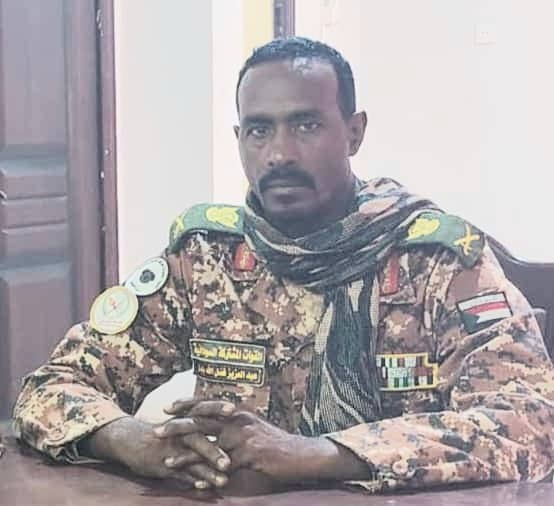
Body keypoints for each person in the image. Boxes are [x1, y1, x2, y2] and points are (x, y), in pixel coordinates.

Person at [13, 37, 554, 494]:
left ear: (354, 132)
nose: (279, 154)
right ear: (239, 139)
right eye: (259, 130)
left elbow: (529, 421)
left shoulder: (436, 263)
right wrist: (131, 440)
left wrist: (321, 454)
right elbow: (54, 385)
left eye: (306, 126)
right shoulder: (205, 260)